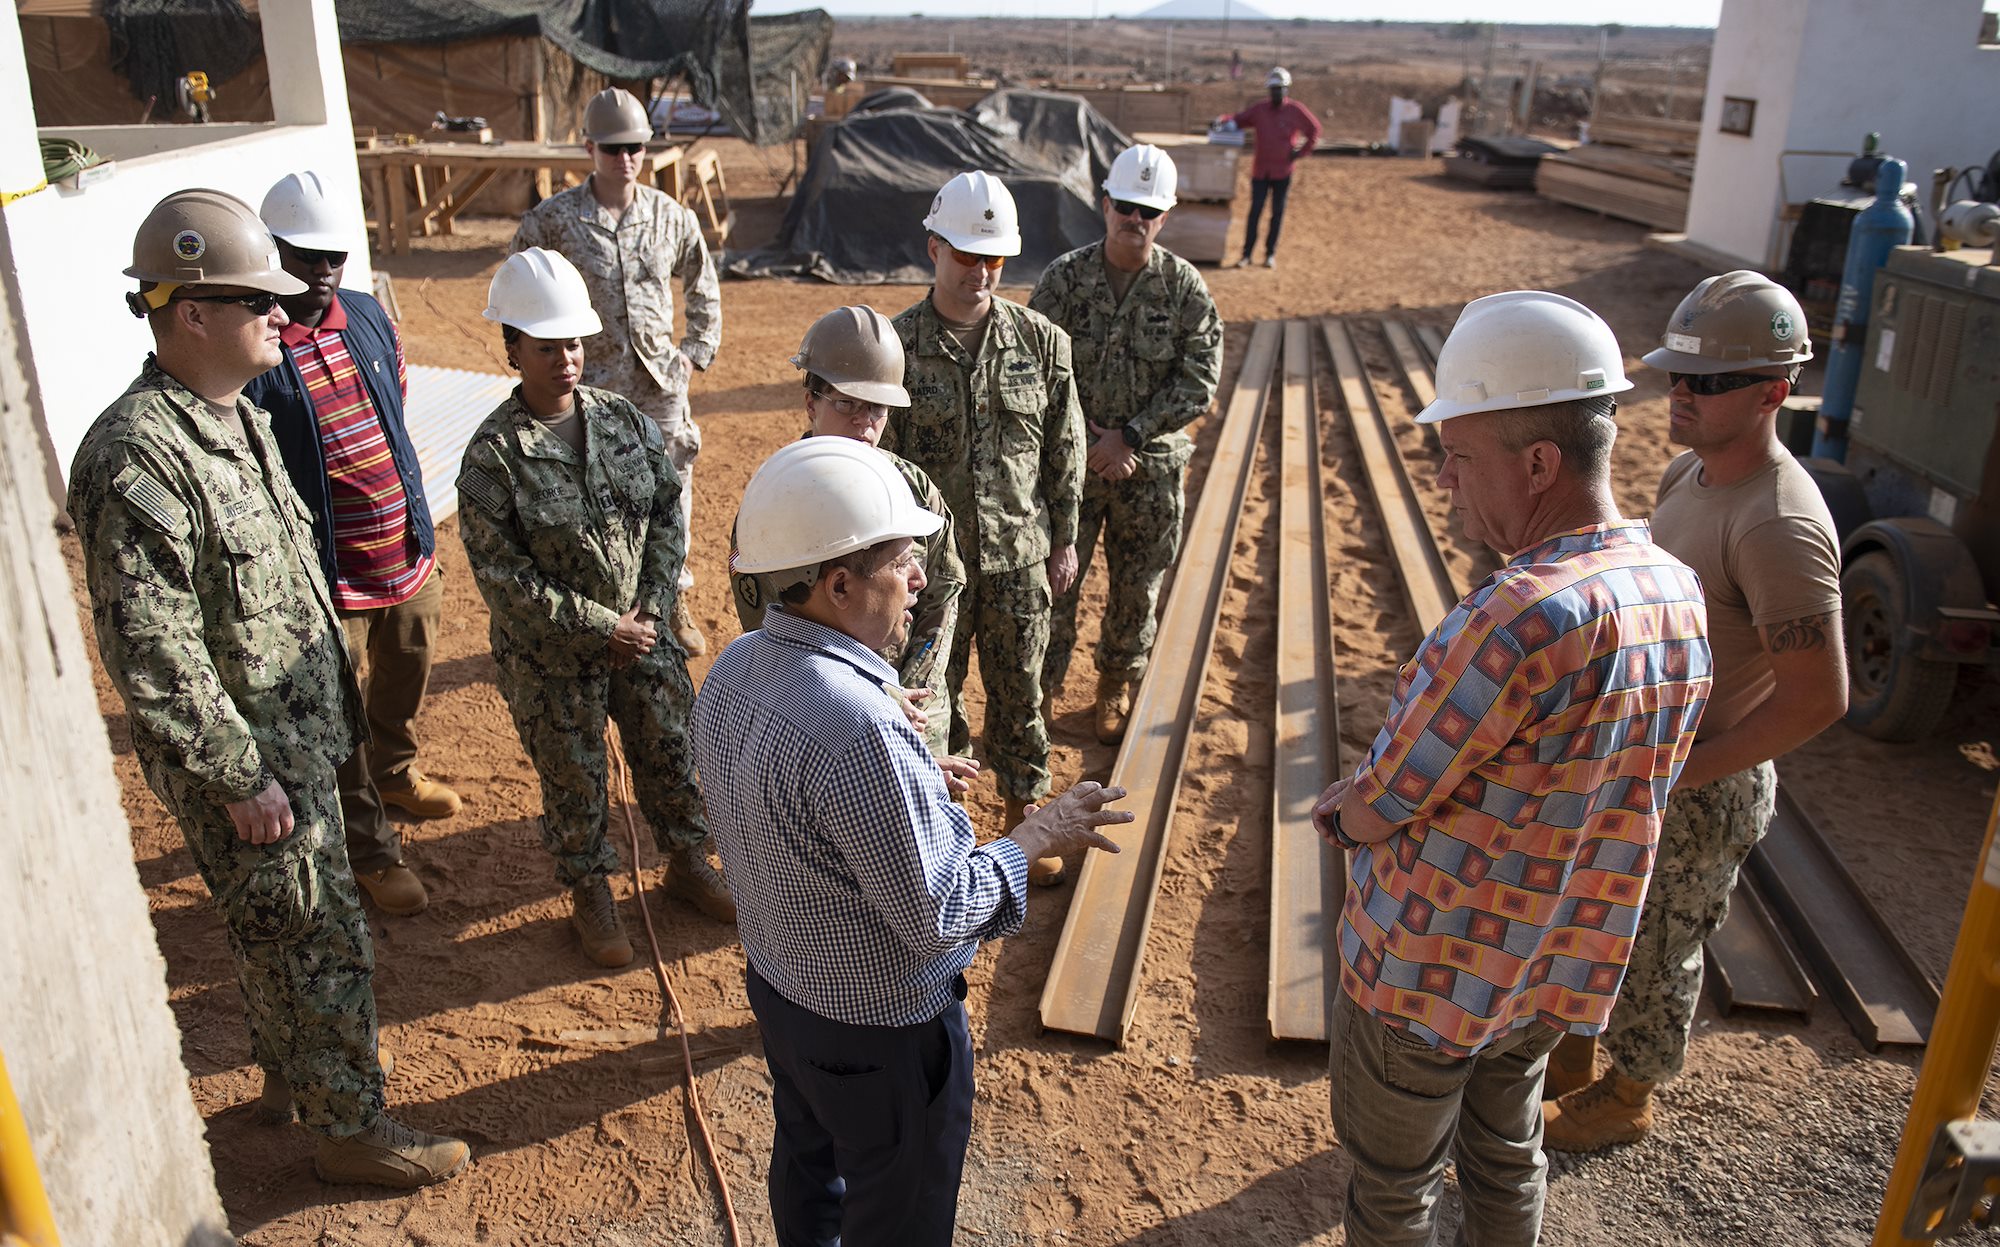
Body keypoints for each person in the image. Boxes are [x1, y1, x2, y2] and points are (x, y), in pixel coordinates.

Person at [69, 188, 468, 1188]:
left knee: (280, 925)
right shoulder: (136, 454)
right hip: (250, 764)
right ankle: (352, 1124)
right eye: (261, 302)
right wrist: (239, 773)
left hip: (297, 741)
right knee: (320, 933)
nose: (285, 318)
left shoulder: (234, 417)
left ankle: (297, 1073)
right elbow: (154, 649)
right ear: (191, 312)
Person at [1311, 291, 1712, 1244]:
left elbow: (1389, 795)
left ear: (1539, 462)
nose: (1446, 480)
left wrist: (1338, 814)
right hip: (1550, 965)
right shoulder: (1675, 589)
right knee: (1507, 1152)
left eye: (1461, 455)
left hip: (1428, 975)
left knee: (1396, 1186)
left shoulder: (1517, 615)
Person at [694, 436, 1132, 1246]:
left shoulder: (735, 665)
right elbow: (940, 909)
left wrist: (909, 775)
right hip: (881, 1036)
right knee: (900, 1213)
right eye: (903, 561)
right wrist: (1039, 831)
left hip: (785, 997)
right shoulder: (860, 725)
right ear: (838, 584)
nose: (922, 578)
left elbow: (771, 800)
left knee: (808, 1171)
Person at [1544, 272, 1846, 1152]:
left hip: (1701, 778)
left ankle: (1628, 1093)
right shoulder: (1693, 469)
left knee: (1661, 941)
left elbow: (1819, 697)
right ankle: (1576, 1053)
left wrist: (1685, 774)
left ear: (1772, 393)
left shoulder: (1777, 525)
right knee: (1605, 915)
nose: (1681, 393)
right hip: (1649, 757)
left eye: (1706, 383)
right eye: (1677, 374)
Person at [455, 247, 733, 970]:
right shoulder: (494, 456)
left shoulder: (624, 423)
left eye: (573, 344)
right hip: (554, 661)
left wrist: (647, 608)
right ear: (513, 348)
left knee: (672, 752)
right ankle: (591, 892)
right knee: (574, 779)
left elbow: (668, 516)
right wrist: (597, 624)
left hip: (644, 639)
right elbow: (502, 576)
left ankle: (687, 859)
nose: (565, 360)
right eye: (547, 347)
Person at [244, 170, 458, 919]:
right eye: (307, 257)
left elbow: (396, 410)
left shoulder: (366, 315)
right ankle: (369, 848)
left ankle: (396, 770)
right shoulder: (258, 350)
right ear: (271, 253)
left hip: (404, 551)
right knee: (337, 718)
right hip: (332, 582)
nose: (325, 271)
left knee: (407, 671)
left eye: (335, 254)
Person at [883, 171, 1085, 882]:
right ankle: (946, 819)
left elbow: (1065, 447)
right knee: (932, 695)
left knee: (1022, 689)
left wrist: (1064, 540)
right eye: (967, 255)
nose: (981, 271)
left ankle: (1026, 811)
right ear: (934, 248)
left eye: (993, 257)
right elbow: (885, 460)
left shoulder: (1043, 343)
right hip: (935, 570)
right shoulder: (897, 346)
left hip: (1019, 558)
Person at [1030, 143, 1224, 763]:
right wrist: (1087, 440)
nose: (1134, 219)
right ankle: (1046, 689)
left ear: (1164, 217)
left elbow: (1200, 375)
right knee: (1057, 581)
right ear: (1106, 203)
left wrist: (1132, 435)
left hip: (1150, 470)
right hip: (1073, 467)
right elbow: (1034, 366)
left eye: (1149, 210)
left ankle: (1115, 684)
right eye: (1126, 206)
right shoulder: (1063, 279)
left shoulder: (1184, 287)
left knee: (1137, 588)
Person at [511, 86, 721, 657]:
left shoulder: (670, 216)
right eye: (611, 147)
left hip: (659, 384)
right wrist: (536, 357)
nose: (624, 158)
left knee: (670, 494)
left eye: (634, 146)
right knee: (593, 496)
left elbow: (702, 280)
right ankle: (603, 611)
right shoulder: (554, 220)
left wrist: (695, 350)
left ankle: (670, 601)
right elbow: (519, 283)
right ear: (589, 148)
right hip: (589, 385)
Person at [728, 305, 967, 763]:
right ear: (811, 401)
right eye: (846, 404)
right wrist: (869, 694)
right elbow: (768, 625)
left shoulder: (913, 488)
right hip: (820, 705)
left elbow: (942, 594)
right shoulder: (776, 498)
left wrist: (909, 689)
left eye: (876, 407)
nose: (864, 423)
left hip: (915, 702)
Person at [1220, 67, 1322, 270]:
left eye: (1280, 89)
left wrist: (1300, 152)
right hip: (1260, 171)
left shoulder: (1295, 110)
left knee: (1277, 213)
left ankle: (1270, 254)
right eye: (1273, 89)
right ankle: (1246, 254)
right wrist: (1223, 120)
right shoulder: (1260, 110)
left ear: (1286, 90)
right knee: (1255, 212)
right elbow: (1239, 120)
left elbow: (1314, 130)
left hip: (1283, 172)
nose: (1276, 93)